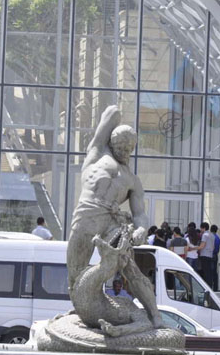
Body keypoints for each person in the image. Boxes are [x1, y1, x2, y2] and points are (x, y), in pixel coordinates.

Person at [65, 105, 163, 328]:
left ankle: (155, 315)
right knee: (75, 275)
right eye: (120, 147)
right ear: (111, 142)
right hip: (86, 217)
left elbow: (140, 214)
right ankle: (83, 308)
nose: (125, 152)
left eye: (129, 148)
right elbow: (110, 112)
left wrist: (141, 229)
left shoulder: (133, 180)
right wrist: (120, 114)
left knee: (130, 268)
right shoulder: (96, 153)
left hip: (113, 222)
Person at [198, 222, 220, 291]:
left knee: (204, 272)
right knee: (209, 272)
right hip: (210, 255)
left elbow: (202, 246)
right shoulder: (212, 235)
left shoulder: (205, 235)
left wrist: (194, 248)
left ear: (204, 228)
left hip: (204, 254)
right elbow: (213, 247)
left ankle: (205, 287)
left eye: (201, 228)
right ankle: (210, 286)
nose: (200, 230)